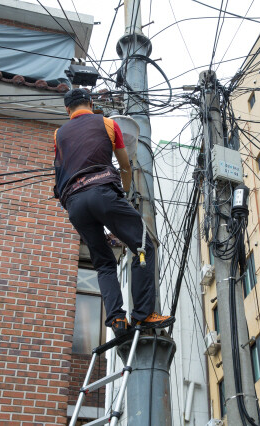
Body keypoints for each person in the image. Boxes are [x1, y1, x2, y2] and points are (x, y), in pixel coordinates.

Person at [54, 88, 175, 338]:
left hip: (74, 204)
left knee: (104, 263)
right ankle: (143, 316)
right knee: (143, 246)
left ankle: (117, 318)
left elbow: (58, 173)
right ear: (90, 103)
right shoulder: (108, 124)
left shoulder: (59, 134)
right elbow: (125, 165)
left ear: (68, 110)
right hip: (103, 193)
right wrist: (126, 193)